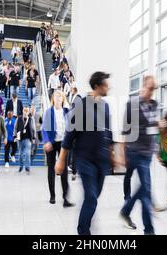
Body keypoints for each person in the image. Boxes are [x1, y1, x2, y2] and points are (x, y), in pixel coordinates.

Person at [55, 72, 116, 235]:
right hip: (85, 160)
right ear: (97, 86)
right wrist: (61, 160)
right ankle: (83, 232)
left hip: (101, 161)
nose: (108, 87)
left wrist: (112, 154)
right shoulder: (81, 104)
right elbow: (70, 134)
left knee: (93, 199)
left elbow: (108, 132)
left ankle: (86, 225)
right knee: (91, 198)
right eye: (106, 84)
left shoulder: (106, 106)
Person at [119, 76, 159, 235]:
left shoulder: (154, 105)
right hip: (135, 151)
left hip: (147, 152)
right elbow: (125, 129)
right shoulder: (132, 104)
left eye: (153, 88)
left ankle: (125, 211)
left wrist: (158, 125)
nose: (151, 91)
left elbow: (151, 126)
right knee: (146, 190)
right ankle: (149, 230)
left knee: (144, 187)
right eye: (149, 88)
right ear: (143, 87)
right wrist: (122, 153)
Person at [42, 91, 75, 207]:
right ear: (53, 99)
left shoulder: (67, 112)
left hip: (63, 143)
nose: (58, 98)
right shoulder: (48, 112)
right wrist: (46, 142)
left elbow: (72, 127)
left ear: (63, 99)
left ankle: (65, 198)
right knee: (51, 169)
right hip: (51, 143)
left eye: (60, 96)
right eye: (56, 96)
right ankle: (52, 195)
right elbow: (44, 129)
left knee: (64, 170)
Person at [15, 107, 37, 173]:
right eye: (24, 111)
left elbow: (34, 129)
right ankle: (21, 166)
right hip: (20, 138)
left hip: (28, 138)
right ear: (23, 111)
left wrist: (34, 138)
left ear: (28, 112)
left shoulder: (31, 119)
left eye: (27, 111)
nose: (25, 112)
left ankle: (27, 167)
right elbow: (15, 128)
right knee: (20, 154)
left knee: (27, 153)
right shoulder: (19, 118)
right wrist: (15, 136)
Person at [67, 86, 82, 181]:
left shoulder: (77, 98)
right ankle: (73, 170)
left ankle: (74, 170)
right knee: (72, 150)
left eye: (71, 89)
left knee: (74, 151)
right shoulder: (76, 99)